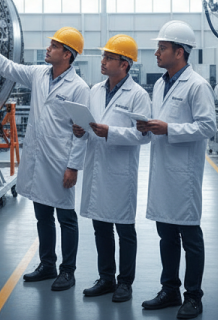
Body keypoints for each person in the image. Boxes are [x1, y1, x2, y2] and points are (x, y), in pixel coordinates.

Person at [0, 23, 89, 291]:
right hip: (36, 160)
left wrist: (73, 167)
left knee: (66, 218)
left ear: (67, 54)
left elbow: (82, 133)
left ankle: (68, 271)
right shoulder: (38, 74)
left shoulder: (79, 87)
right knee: (42, 216)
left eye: (54, 46)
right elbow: (8, 67)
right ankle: (48, 265)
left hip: (60, 163)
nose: (49, 48)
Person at [137, 21, 217, 318]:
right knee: (166, 236)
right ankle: (169, 290)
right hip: (162, 173)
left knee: (190, 238)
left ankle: (193, 296)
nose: (156, 53)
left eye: (162, 48)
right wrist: (148, 126)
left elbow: (208, 126)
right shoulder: (160, 84)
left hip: (183, 175)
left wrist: (168, 128)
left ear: (179, 52)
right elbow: (160, 123)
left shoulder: (197, 85)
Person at [72, 34, 151, 304]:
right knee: (100, 227)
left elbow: (144, 136)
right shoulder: (95, 90)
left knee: (125, 230)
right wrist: (80, 130)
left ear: (125, 63)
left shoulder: (138, 95)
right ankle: (106, 278)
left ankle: (125, 283)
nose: (103, 62)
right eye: (103, 57)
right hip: (97, 168)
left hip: (120, 171)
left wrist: (111, 133)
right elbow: (91, 125)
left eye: (109, 57)